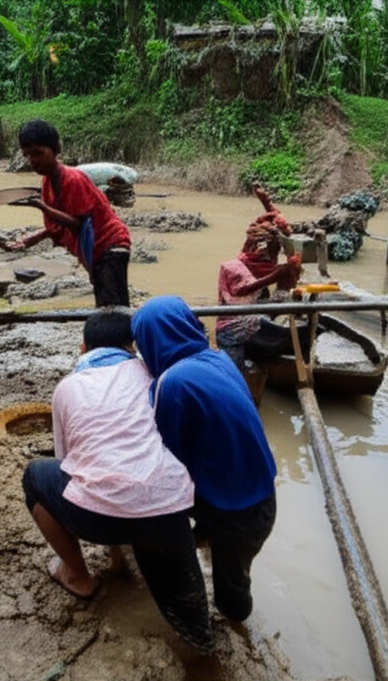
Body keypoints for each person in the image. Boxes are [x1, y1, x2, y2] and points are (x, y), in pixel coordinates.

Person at [21, 308, 212, 651]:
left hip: (95, 517)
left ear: (82, 349)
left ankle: (78, 576)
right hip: (172, 504)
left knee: (34, 476)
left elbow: (71, 465)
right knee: (195, 623)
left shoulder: (67, 388)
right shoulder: (152, 372)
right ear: (131, 347)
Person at [131, 295, 277, 622]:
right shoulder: (219, 357)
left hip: (236, 512)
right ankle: (206, 536)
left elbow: (168, 459)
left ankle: (237, 625)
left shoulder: (173, 383)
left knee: (232, 592)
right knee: (235, 562)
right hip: (262, 492)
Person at [5, 120, 132, 307]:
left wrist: (44, 208)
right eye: (28, 155)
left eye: (38, 153)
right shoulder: (47, 184)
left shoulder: (73, 180)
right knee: (107, 306)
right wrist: (30, 240)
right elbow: (58, 226)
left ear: (56, 149)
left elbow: (79, 224)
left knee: (113, 310)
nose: (33, 160)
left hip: (110, 244)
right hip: (95, 250)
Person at [216, 183, 307, 368]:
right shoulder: (234, 267)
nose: (273, 256)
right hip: (231, 331)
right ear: (256, 248)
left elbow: (283, 229)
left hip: (254, 314)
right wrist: (275, 276)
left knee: (298, 323)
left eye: (276, 250)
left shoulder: (267, 265)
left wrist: (267, 203)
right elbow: (240, 290)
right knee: (236, 371)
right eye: (270, 251)